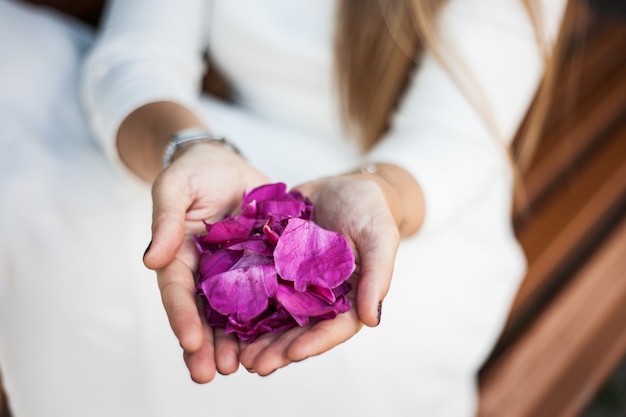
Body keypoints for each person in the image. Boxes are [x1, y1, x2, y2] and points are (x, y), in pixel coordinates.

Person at [0, 0, 567, 415]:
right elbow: (139, 55)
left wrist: (382, 195)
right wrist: (191, 148)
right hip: (221, 146)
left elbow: (454, 140)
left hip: (410, 201)